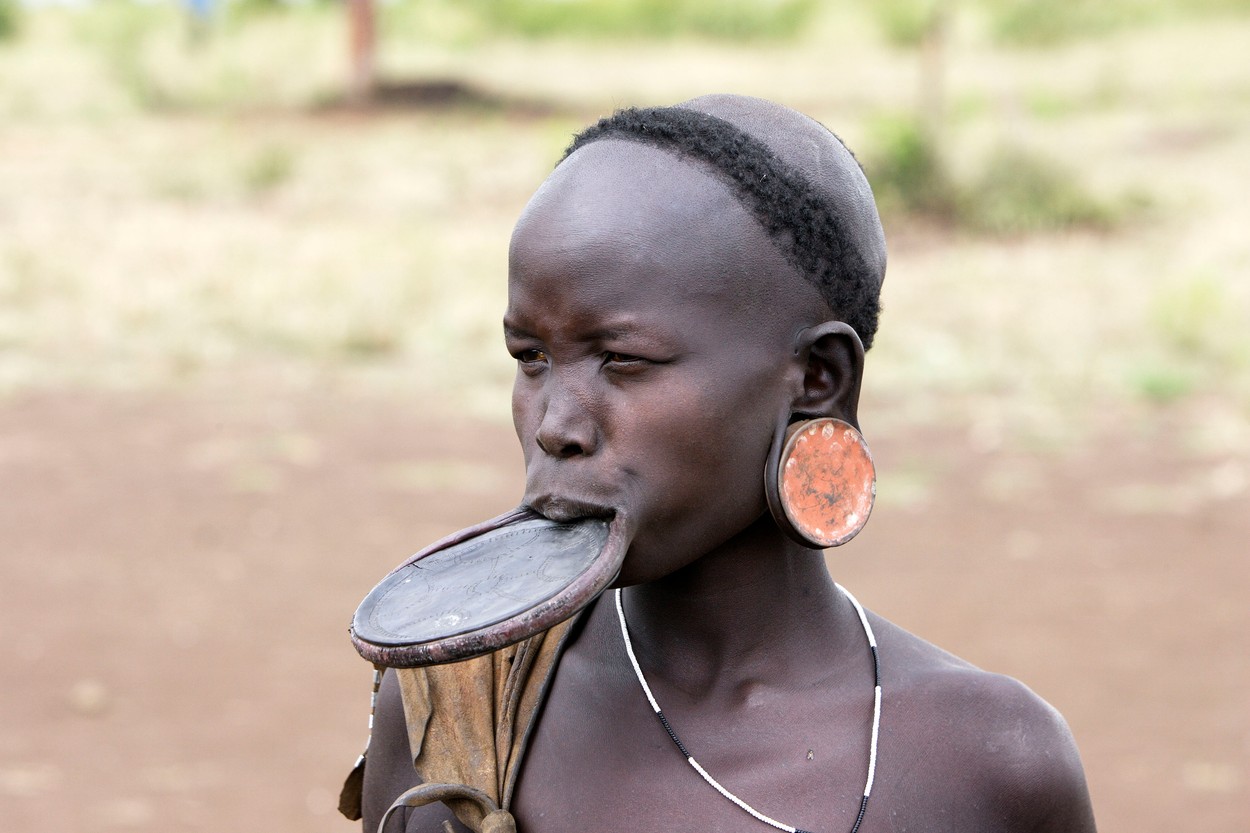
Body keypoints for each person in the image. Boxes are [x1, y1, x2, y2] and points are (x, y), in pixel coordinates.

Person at [342, 94, 1097, 833]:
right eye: (530, 356)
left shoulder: (989, 766)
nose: (556, 426)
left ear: (819, 377)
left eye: (622, 359)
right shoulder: (459, 719)